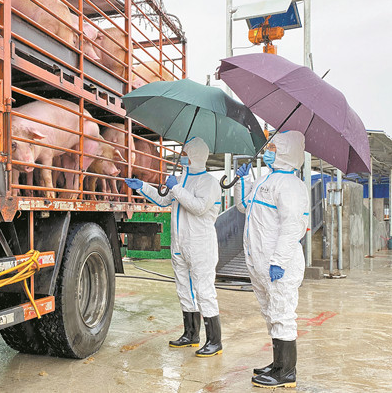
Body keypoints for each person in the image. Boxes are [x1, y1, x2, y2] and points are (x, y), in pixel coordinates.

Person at [124, 136, 223, 358]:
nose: (183, 158)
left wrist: (177, 188)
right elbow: (163, 200)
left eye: (186, 154)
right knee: (184, 289)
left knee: (204, 291)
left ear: (196, 156)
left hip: (200, 244)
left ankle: (215, 341)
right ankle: (191, 334)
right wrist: (143, 187)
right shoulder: (182, 179)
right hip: (180, 244)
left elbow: (198, 207)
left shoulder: (209, 183)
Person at [233, 130, 309, 389]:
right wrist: (242, 181)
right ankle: (277, 364)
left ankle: (286, 371)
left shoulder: (291, 186)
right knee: (271, 312)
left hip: (280, 264)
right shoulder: (267, 179)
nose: (268, 151)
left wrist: (278, 260)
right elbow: (244, 206)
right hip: (261, 261)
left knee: (283, 313)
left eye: (273, 147)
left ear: (286, 151)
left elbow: (291, 227)